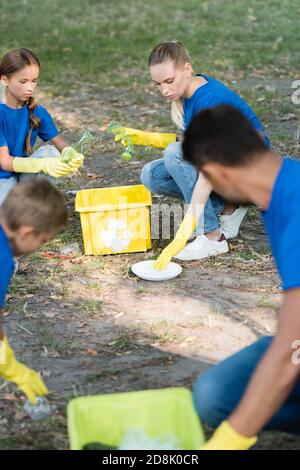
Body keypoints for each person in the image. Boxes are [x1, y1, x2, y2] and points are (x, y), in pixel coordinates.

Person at [181, 105, 300, 450]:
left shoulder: (294, 206)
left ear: (219, 174)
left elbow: (292, 349)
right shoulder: (278, 187)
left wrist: (232, 439)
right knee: (216, 394)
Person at [114, 40, 269, 263]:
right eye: (157, 84)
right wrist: (146, 137)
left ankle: (212, 237)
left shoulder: (209, 101)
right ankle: (227, 207)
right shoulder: (191, 89)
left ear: (186, 69)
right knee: (152, 174)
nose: (164, 90)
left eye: (169, 81)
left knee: (175, 154)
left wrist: (186, 229)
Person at [0, 179, 68, 404]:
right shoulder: (3, 259)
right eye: (43, 240)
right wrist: (7, 362)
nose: (40, 246)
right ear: (28, 233)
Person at [0, 48, 84, 205]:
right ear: (4, 80)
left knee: (50, 153)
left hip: (21, 176)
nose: (30, 88)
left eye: (34, 81)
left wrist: (70, 154)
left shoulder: (36, 111)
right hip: (2, 179)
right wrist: (41, 164)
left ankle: (35, 207)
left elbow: (59, 143)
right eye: (23, 82)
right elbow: (4, 162)